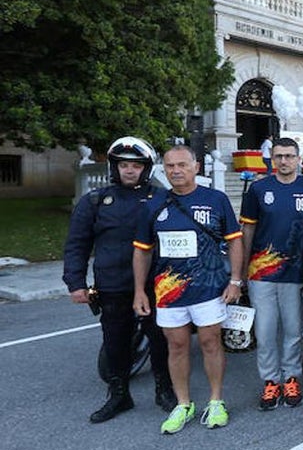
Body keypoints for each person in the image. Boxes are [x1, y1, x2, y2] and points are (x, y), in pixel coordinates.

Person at [132, 145, 244, 434]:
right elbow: (142, 251)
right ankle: (183, 404)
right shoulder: (153, 204)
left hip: (208, 288)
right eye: (170, 166)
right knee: (177, 346)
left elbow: (234, 240)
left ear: (196, 167)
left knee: (210, 343)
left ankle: (216, 400)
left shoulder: (215, 200)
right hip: (169, 292)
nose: (176, 171)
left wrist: (235, 280)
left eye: (182, 164)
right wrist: (139, 291)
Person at [64, 136, 175, 423]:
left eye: (136, 165)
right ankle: (119, 395)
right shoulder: (95, 201)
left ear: (146, 168)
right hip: (112, 284)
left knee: (160, 339)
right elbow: (77, 243)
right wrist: (75, 283)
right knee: (115, 341)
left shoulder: (163, 198)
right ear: (115, 167)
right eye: (123, 165)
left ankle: (165, 390)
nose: (129, 170)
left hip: (156, 284)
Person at [241, 137, 303, 412]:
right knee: (266, 330)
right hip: (262, 272)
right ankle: (271, 380)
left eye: (289, 156)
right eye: (279, 156)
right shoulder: (258, 190)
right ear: (271, 158)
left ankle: (291, 377)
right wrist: (242, 270)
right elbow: (247, 231)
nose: (284, 161)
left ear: (298, 158)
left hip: (297, 272)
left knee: (293, 329)